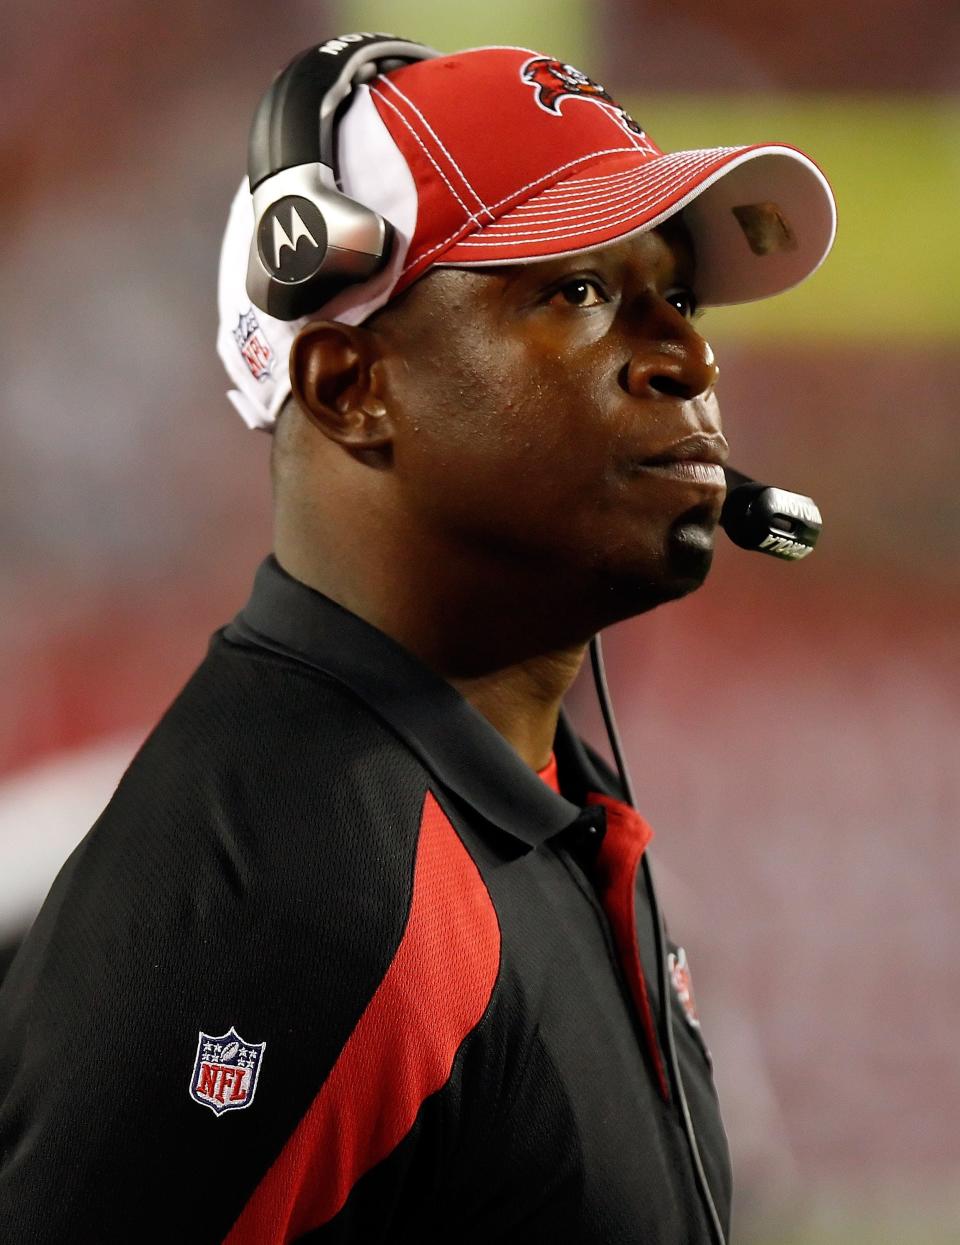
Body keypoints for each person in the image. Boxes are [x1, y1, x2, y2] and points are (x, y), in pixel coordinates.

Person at [0, 36, 836, 1244]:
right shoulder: (303, 895)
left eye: (681, 298)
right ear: (349, 386)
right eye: (580, 291)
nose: (688, 357)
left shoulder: (528, 802)